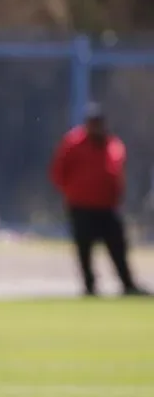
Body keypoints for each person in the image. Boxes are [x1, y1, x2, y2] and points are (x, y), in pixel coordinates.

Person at [50, 102, 148, 297]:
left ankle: (127, 284)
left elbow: (117, 172)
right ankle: (90, 287)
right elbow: (58, 172)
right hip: (81, 206)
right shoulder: (73, 143)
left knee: (118, 246)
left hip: (107, 206)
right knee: (84, 249)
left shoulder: (112, 144)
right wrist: (73, 192)